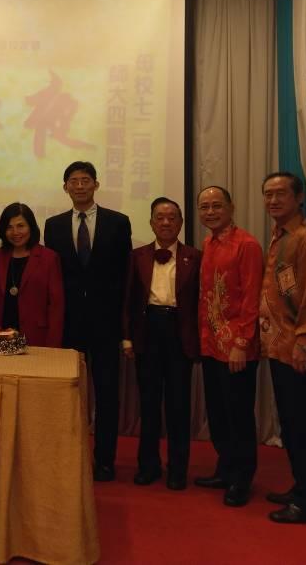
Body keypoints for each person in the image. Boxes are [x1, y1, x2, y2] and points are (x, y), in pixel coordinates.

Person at [43, 161, 132, 482]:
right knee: (69, 394)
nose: (79, 186)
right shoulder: (53, 225)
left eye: (85, 180)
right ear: (65, 187)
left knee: (107, 395)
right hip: (69, 324)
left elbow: (125, 277)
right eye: (73, 181)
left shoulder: (117, 222)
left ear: (96, 184)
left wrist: (124, 328)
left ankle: (105, 460)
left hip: (106, 324)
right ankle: (70, 456)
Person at [258, 172, 306, 524]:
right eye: (268, 194)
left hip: (298, 348)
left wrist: (305, 341)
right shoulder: (280, 236)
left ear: (299, 197)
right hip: (279, 346)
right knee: (292, 423)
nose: (273, 200)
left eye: (281, 194)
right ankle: (302, 487)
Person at [121, 197, 201, 490]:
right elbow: (128, 299)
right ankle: (148, 465)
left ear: (180, 223)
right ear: (151, 223)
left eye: (172, 217)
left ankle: (178, 469)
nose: (166, 222)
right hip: (148, 331)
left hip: (180, 332)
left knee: (179, 405)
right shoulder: (137, 256)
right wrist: (126, 337)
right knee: (149, 403)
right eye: (160, 217)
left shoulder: (196, 256)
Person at [194, 185, 263, 507]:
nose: (210, 212)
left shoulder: (247, 245)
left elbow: (252, 298)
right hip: (211, 345)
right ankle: (225, 469)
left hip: (236, 348)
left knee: (238, 415)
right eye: (204, 207)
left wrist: (241, 342)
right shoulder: (208, 243)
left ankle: (241, 479)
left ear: (231, 207)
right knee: (218, 413)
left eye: (216, 206)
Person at [0, 202, 64, 347]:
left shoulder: (49, 258)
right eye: (9, 227)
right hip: (0, 336)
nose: (15, 232)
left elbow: (56, 306)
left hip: (36, 337)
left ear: (31, 227)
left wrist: (53, 344)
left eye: (20, 226)